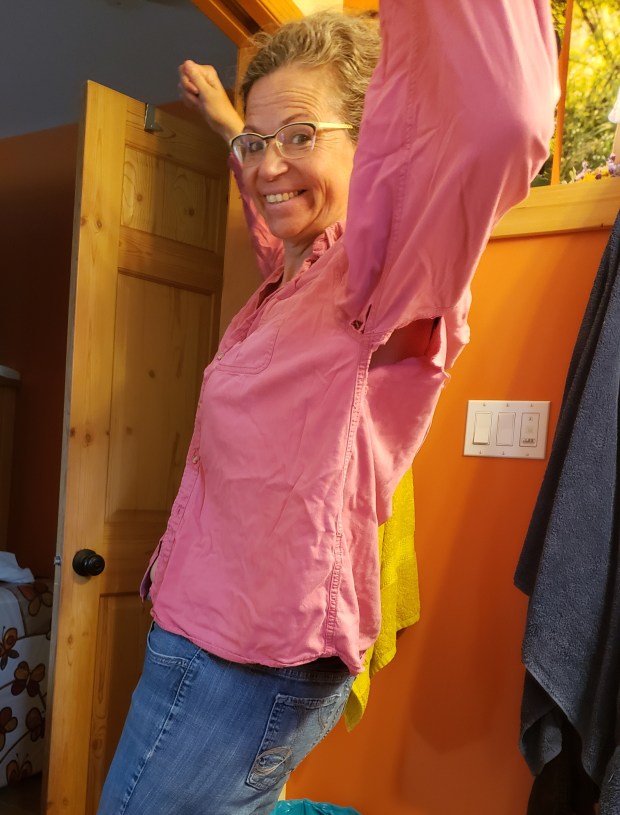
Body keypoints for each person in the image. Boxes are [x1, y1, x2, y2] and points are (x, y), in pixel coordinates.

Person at [97, 1, 558, 813]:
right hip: (211, 632)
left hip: (238, 659)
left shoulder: (377, 275)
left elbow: (506, 120)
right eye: (259, 142)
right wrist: (231, 127)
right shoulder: (299, 275)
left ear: (378, 146)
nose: (269, 165)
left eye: (301, 135)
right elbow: (271, 207)